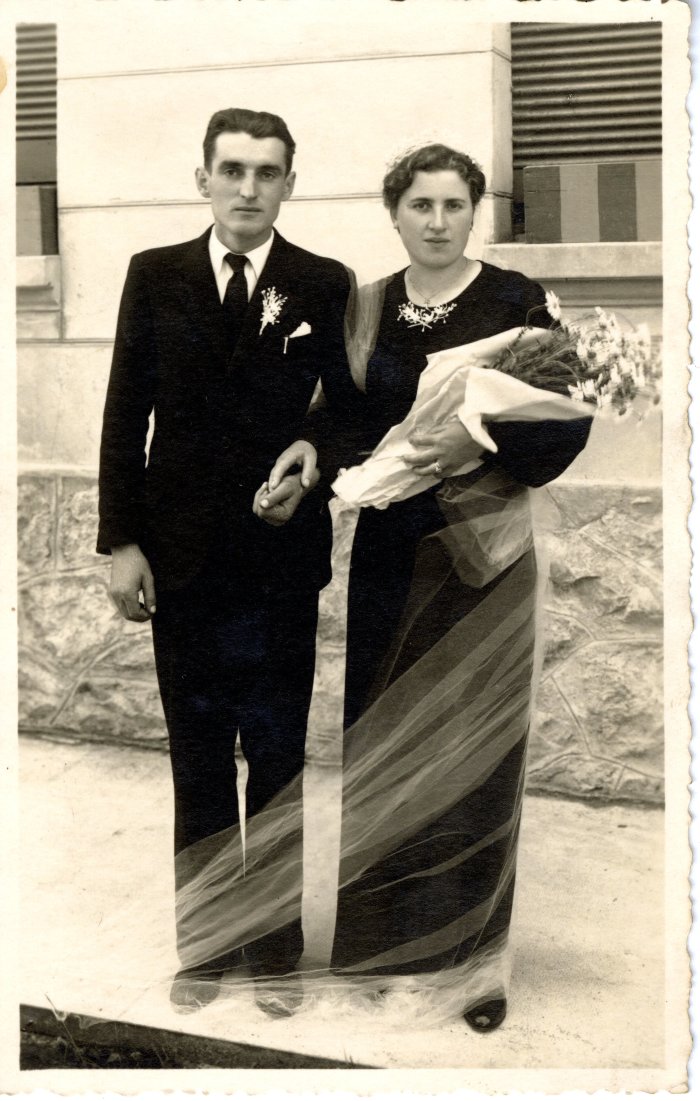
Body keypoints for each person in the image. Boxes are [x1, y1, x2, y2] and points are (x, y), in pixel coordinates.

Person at [271, 143, 594, 1031]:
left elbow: (563, 430)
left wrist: (475, 443)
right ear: (396, 212)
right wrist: (314, 452)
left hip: (482, 557)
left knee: (477, 756)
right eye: (421, 205)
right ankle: (381, 944)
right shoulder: (366, 304)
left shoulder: (517, 300)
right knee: (381, 744)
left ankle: (473, 964)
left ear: (475, 210)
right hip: (389, 556)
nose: (439, 221)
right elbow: (340, 416)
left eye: (455, 204)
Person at [97, 107, 358, 1017]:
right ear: (202, 177)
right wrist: (123, 540)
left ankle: (276, 952)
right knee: (199, 755)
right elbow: (126, 411)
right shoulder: (154, 275)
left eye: (268, 171)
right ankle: (206, 947)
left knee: (279, 754)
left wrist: (312, 452)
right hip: (182, 564)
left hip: (280, 561)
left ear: (292, 181)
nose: (250, 188)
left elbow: (349, 409)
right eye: (234, 169)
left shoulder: (324, 283)